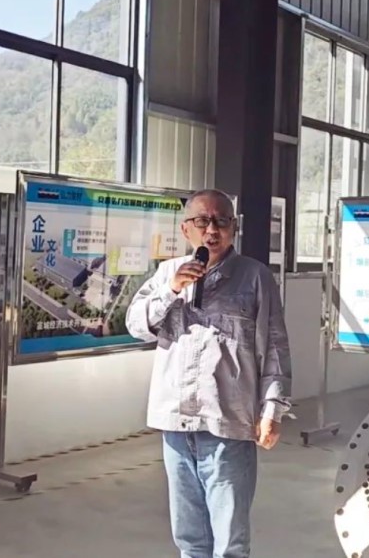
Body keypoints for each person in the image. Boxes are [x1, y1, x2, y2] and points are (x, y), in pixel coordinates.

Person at [125, 188, 292, 558]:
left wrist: (273, 410)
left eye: (221, 221)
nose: (212, 230)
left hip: (227, 422)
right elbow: (135, 325)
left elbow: (275, 347)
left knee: (230, 540)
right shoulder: (167, 273)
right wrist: (172, 290)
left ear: (234, 228)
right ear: (186, 229)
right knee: (189, 538)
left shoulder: (255, 278)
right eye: (202, 221)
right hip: (176, 421)